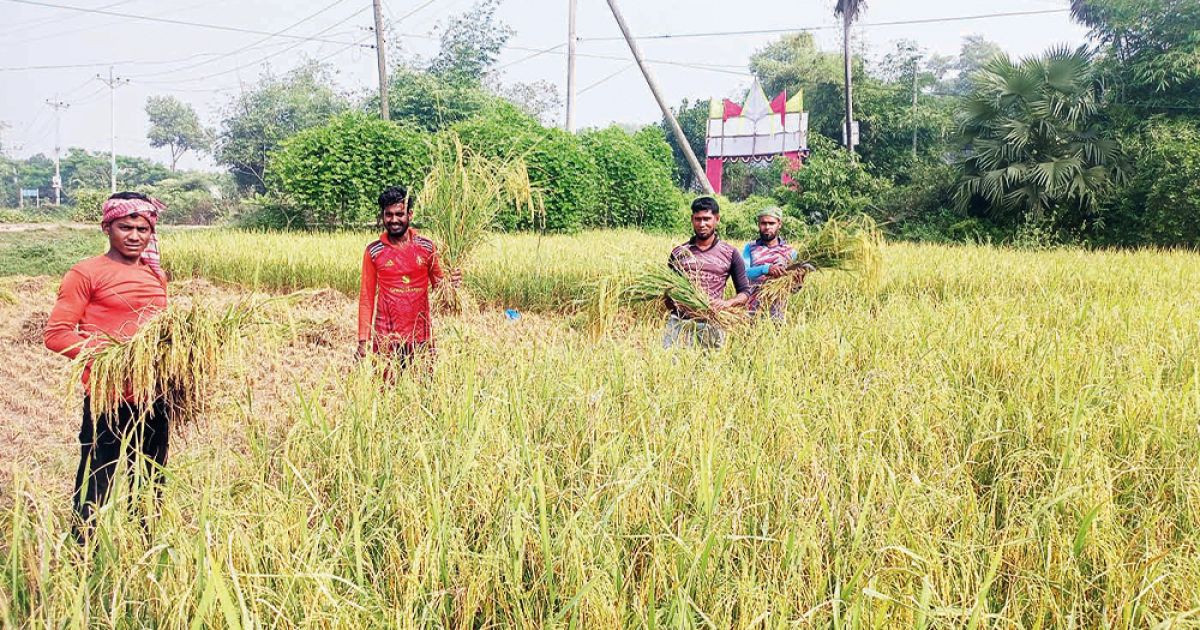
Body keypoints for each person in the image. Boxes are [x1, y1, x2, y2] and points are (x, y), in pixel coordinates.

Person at [43, 192, 170, 533]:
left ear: (151, 231)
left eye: (142, 228)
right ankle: (83, 553)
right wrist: (114, 357)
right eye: (125, 227)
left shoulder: (155, 276)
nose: (134, 235)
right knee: (97, 478)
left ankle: (144, 550)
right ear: (107, 227)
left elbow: (159, 329)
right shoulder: (85, 273)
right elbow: (56, 334)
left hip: (154, 395)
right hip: (107, 396)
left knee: (150, 479)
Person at [357, 186, 459, 370]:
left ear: (410, 214)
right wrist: (363, 341)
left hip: (421, 337)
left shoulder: (427, 247)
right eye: (388, 215)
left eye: (399, 214)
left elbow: (440, 287)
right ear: (382, 216)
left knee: (423, 391)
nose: (394, 220)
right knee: (385, 392)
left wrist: (451, 285)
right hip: (386, 339)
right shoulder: (374, 251)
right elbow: (366, 298)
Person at [663, 196, 751, 348]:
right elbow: (667, 291)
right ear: (692, 219)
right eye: (698, 219)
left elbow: (745, 292)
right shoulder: (679, 252)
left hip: (712, 323)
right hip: (679, 323)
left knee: (709, 368)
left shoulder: (730, 253)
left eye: (707, 219)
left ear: (717, 219)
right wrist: (674, 299)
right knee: (672, 368)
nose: (702, 224)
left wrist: (726, 303)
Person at [742, 206, 808, 320]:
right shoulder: (750, 248)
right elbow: (744, 273)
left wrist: (799, 280)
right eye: (763, 223)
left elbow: (793, 289)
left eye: (771, 223)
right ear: (758, 224)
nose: (767, 227)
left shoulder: (790, 252)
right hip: (751, 311)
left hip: (777, 314)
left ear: (779, 224)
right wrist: (766, 269)